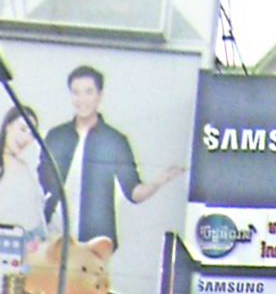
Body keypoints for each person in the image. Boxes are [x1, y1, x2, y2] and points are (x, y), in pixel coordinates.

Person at [38, 65, 184, 249]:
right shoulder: (56, 136)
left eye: (88, 92)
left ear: (99, 95)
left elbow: (133, 192)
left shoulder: (114, 140)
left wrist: (160, 181)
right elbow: (41, 182)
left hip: (95, 242)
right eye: (76, 92)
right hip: (54, 235)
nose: (82, 99)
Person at [0, 106, 47, 246]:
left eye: (31, 133)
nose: (26, 137)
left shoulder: (26, 166)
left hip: (34, 242)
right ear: (8, 126)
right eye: (22, 129)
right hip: (8, 243)